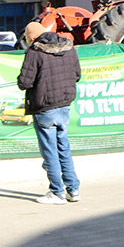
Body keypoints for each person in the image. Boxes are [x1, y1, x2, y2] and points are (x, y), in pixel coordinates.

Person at [17, 20, 82, 205]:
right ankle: (73, 190)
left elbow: (25, 82)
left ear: (31, 37)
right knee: (64, 148)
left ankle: (57, 192)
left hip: (44, 107)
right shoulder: (69, 47)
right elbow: (77, 75)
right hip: (64, 105)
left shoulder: (34, 52)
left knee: (50, 152)